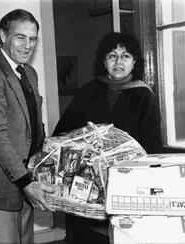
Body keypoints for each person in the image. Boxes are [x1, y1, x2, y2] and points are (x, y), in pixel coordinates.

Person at [53, 32, 162, 244]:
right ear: (104, 61)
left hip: (126, 183)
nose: (118, 61)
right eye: (112, 55)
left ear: (134, 61)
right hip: (85, 187)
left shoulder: (144, 96)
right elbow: (62, 135)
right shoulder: (87, 92)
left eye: (125, 56)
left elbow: (152, 147)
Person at [0, 9, 55, 244]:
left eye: (33, 38)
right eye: (20, 37)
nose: (28, 45)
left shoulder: (29, 73)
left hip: (26, 182)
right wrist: (26, 182)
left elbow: (34, 124)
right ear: (3, 36)